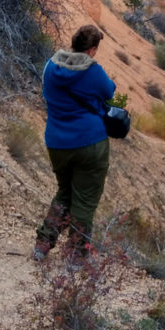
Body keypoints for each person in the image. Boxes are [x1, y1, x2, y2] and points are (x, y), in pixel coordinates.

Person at [32, 24, 115, 263]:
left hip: (57, 142)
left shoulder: (50, 65)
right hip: (90, 142)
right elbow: (109, 91)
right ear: (91, 50)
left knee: (64, 192)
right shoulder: (93, 71)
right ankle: (76, 255)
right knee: (85, 199)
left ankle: (43, 245)